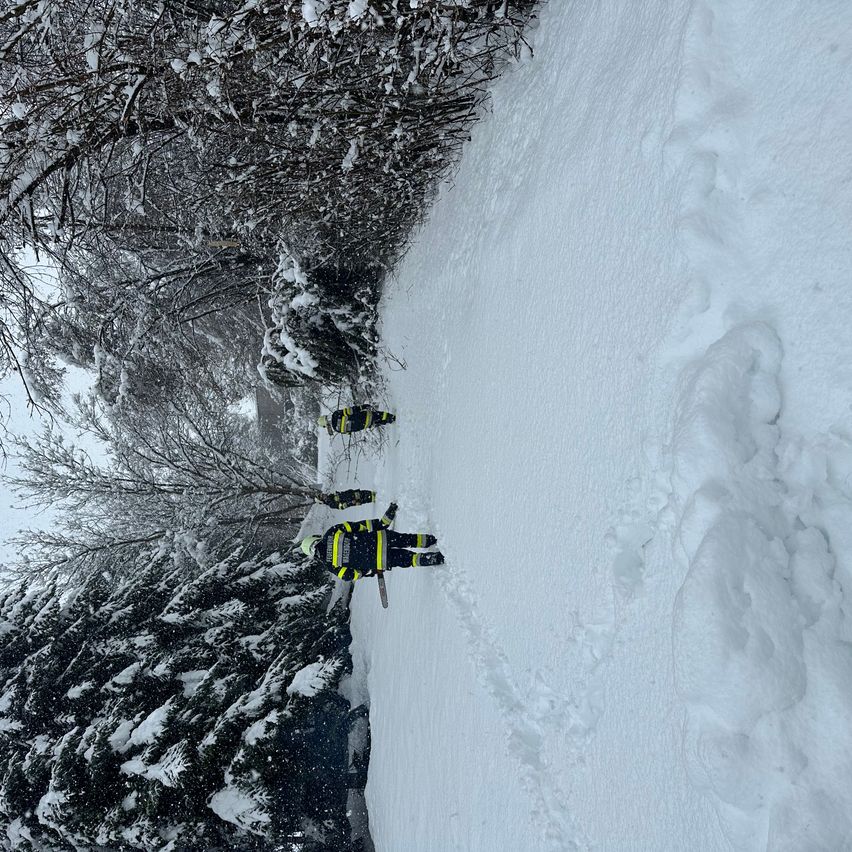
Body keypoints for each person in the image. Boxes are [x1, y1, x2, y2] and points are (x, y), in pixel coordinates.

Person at [299, 502, 444, 581]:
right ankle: (431, 540)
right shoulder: (332, 533)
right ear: (315, 539)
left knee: (408, 559)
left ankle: (433, 559)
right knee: (407, 539)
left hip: (380, 560)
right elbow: (359, 526)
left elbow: (350, 576)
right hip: (380, 538)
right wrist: (381, 524)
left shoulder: (330, 564)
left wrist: (365, 570)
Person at [317, 405, 395, 436]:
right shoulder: (335, 415)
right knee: (380, 415)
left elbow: (349, 431)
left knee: (377, 422)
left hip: (364, 425)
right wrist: (361, 407)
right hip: (364, 416)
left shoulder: (337, 429)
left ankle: (390, 421)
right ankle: (392, 417)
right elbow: (350, 411)